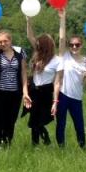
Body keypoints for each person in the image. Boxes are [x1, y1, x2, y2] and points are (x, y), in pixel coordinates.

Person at [0, 26, 31, 147]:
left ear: (10, 40)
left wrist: (25, 93)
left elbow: (23, 73)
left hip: (15, 94)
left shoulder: (20, 53)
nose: (2, 44)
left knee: (11, 121)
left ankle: (7, 144)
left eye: (5, 41)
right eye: (0, 42)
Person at [53, 8, 86, 149]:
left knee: (79, 124)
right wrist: (63, 18)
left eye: (77, 45)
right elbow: (61, 38)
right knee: (61, 123)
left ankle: (83, 147)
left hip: (77, 97)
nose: (74, 47)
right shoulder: (64, 55)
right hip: (62, 95)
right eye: (72, 45)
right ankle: (61, 148)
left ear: (81, 46)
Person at [25, 17, 58, 146]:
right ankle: (35, 144)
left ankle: (45, 136)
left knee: (41, 119)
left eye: (40, 43)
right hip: (34, 90)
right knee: (33, 120)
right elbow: (29, 36)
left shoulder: (55, 59)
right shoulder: (37, 54)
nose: (37, 45)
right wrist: (28, 21)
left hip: (46, 91)